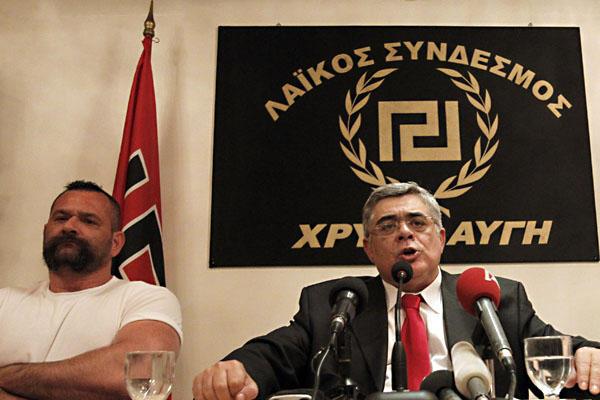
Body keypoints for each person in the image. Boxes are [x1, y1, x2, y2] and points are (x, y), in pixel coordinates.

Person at [193, 181, 600, 400]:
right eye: (387, 226)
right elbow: (275, 353)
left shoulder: (493, 299)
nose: (405, 232)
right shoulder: (337, 304)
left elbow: (554, 352)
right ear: (369, 248)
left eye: (418, 223)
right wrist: (237, 369)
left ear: (441, 238)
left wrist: (588, 356)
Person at [0, 180, 183, 400]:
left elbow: (143, 375)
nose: (69, 226)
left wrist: (7, 378)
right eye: (61, 218)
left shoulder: (145, 298)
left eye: (88, 221)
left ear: (115, 243)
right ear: (45, 232)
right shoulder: (4, 301)